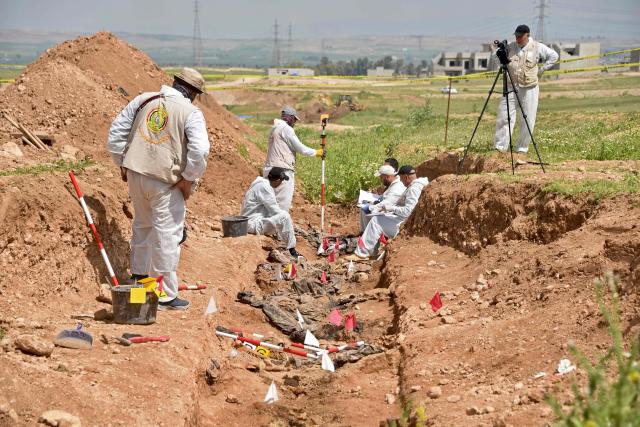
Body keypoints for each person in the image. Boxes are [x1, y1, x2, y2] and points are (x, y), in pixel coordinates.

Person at [107, 67, 210, 310]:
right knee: (167, 235)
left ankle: (140, 280)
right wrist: (188, 177)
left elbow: (116, 134)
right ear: (193, 92)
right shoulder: (191, 112)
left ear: (174, 82)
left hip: (136, 173)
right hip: (166, 181)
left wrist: (121, 161)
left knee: (142, 225)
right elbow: (200, 150)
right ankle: (163, 295)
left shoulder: (144, 99)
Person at [494, 24, 558, 160]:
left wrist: (542, 70)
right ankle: (501, 146)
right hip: (511, 85)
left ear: (527, 35)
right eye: (516, 36)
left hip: (529, 87)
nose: (517, 39)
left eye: (520, 36)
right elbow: (498, 60)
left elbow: (554, 56)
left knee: (528, 118)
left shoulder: (537, 46)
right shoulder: (510, 47)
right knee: (504, 116)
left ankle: (522, 148)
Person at [354, 165, 428, 259]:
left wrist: (392, 208)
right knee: (379, 218)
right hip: (410, 221)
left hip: (406, 225)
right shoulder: (420, 184)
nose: (400, 181)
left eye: (401, 179)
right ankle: (369, 251)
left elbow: (408, 211)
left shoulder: (413, 189)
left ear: (406, 177)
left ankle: (362, 254)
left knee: (377, 221)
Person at [263, 106, 323, 211]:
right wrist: (316, 152)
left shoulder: (275, 128)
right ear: (289, 117)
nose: (294, 122)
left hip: (270, 169)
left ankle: (269, 226)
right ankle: (279, 226)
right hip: (282, 170)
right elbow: (300, 148)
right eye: (294, 119)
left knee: (270, 205)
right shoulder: (286, 129)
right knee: (282, 205)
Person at [241, 167, 300, 259]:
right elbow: (275, 211)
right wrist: (288, 224)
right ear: (277, 180)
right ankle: (292, 250)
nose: (281, 183)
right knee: (285, 216)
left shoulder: (261, 183)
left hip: (250, 221)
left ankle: (284, 241)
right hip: (253, 224)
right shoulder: (265, 187)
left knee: (282, 218)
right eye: (281, 181)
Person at [360, 164, 405, 233]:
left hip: (394, 215)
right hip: (389, 209)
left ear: (387, 177)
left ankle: (368, 234)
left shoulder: (397, 187)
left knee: (366, 209)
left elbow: (387, 203)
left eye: (381, 178)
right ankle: (366, 233)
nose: (380, 180)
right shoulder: (393, 184)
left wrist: (371, 207)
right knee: (365, 206)